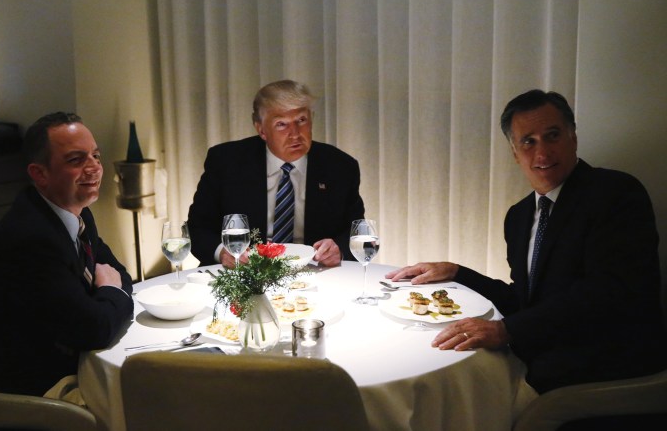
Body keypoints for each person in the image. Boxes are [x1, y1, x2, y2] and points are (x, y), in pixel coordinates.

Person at [387, 90, 667, 394]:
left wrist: (507, 330)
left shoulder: (615, 193)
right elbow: (526, 301)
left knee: (470, 383)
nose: (542, 153)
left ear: (573, 137)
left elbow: (608, 292)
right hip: (552, 351)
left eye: (553, 135)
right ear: (514, 152)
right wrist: (456, 272)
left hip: (609, 365)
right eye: (528, 141)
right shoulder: (519, 216)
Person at [0, 112, 134, 399]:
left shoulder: (76, 211)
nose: (94, 168)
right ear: (40, 173)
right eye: (76, 160)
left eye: (96, 156)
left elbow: (121, 273)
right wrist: (110, 291)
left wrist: (108, 294)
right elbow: (94, 328)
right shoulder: (31, 238)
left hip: (55, 360)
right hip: (15, 392)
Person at [188, 79, 365, 268]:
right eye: (282, 124)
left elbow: (357, 232)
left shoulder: (340, 166)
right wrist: (222, 251)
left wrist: (339, 249)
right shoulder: (226, 162)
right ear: (261, 130)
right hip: (245, 272)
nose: (295, 133)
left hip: (314, 272)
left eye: (301, 120)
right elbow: (198, 228)